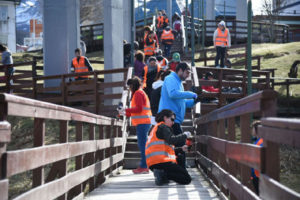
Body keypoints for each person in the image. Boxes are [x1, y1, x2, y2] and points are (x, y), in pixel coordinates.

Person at [158, 62, 199, 168]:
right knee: (180, 143)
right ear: (180, 70)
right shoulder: (171, 78)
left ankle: (177, 167)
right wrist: (191, 94)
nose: (188, 75)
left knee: (177, 144)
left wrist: (194, 101)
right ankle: (181, 167)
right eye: (187, 72)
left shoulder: (178, 82)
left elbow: (183, 102)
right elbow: (173, 94)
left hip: (173, 119)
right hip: (169, 119)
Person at [146, 109, 192, 186]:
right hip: (162, 161)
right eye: (172, 119)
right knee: (186, 179)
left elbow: (164, 148)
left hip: (152, 164)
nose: (173, 122)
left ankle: (161, 175)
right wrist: (185, 135)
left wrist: (180, 149)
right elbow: (171, 140)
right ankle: (162, 175)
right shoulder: (163, 127)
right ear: (165, 118)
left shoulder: (155, 128)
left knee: (174, 174)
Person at [120, 77, 152, 174]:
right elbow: (136, 110)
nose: (129, 89)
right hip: (143, 122)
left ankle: (144, 166)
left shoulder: (138, 93)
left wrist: (126, 110)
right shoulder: (139, 93)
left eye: (129, 87)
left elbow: (138, 109)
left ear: (132, 85)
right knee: (142, 144)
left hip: (143, 122)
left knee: (142, 145)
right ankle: (144, 165)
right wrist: (125, 112)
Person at [251, 120, 262, 195]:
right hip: (256, 174)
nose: (252, 130)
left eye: (253, 128)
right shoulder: (257, 141)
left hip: (258, 175)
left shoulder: (260, 142)